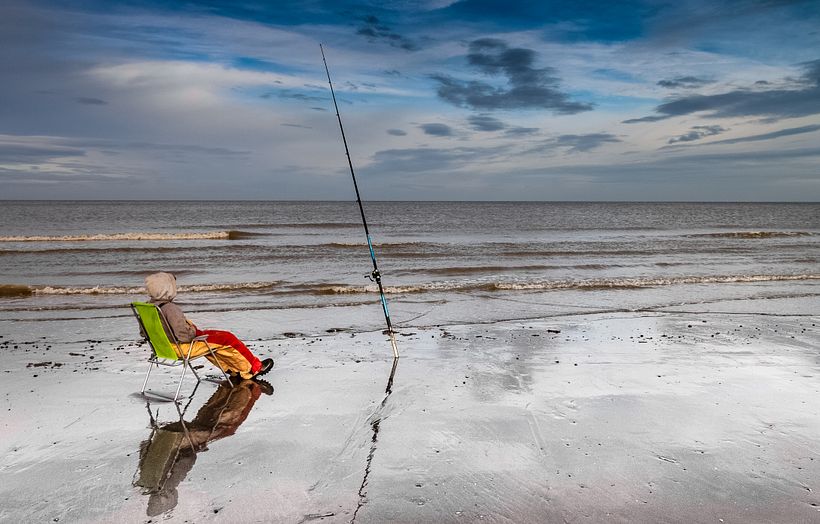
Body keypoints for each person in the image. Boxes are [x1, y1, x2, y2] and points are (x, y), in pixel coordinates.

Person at [144, 272, 273, 380]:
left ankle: (234, 370)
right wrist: (193, 331)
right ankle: (254, 368)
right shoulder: (170, 308)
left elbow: (144, 333)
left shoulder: (148, 308)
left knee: (212, 338)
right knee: (227, 339)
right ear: (167, 289)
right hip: (181, 348)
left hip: (162, 348)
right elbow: (184, 336)